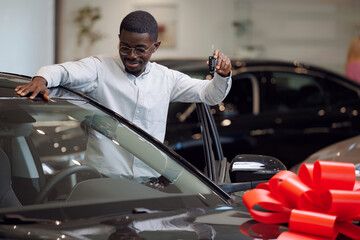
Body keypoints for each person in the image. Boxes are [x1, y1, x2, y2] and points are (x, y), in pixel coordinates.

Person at [14, 10, 232, 180]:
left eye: (140, 49)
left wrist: (223, 75)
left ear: (155, 46)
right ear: (119, 39)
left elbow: (209, 95)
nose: (131, 56)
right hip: (102, 179)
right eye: (124, 47)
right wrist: (41, 79)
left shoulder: (166, 78)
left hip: (150, 182)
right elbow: (62, 72)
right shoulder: (99, 68)